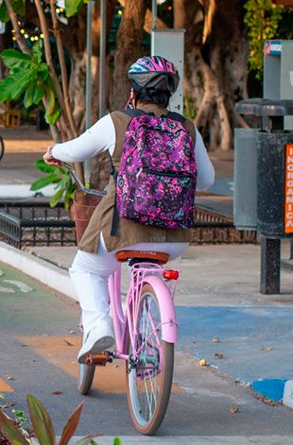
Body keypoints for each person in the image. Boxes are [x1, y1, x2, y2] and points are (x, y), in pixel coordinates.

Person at [43, 56, 215, 362]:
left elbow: (76, 150)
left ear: (133, 92)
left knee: (85, 269)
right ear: (169, 94)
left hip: (124, 231)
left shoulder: (118, 121)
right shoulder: (186, 127)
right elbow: (207, 180)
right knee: (128, 265)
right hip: (175, 238)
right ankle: (142, 321)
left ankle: (98, 327)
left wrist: (54, 151)